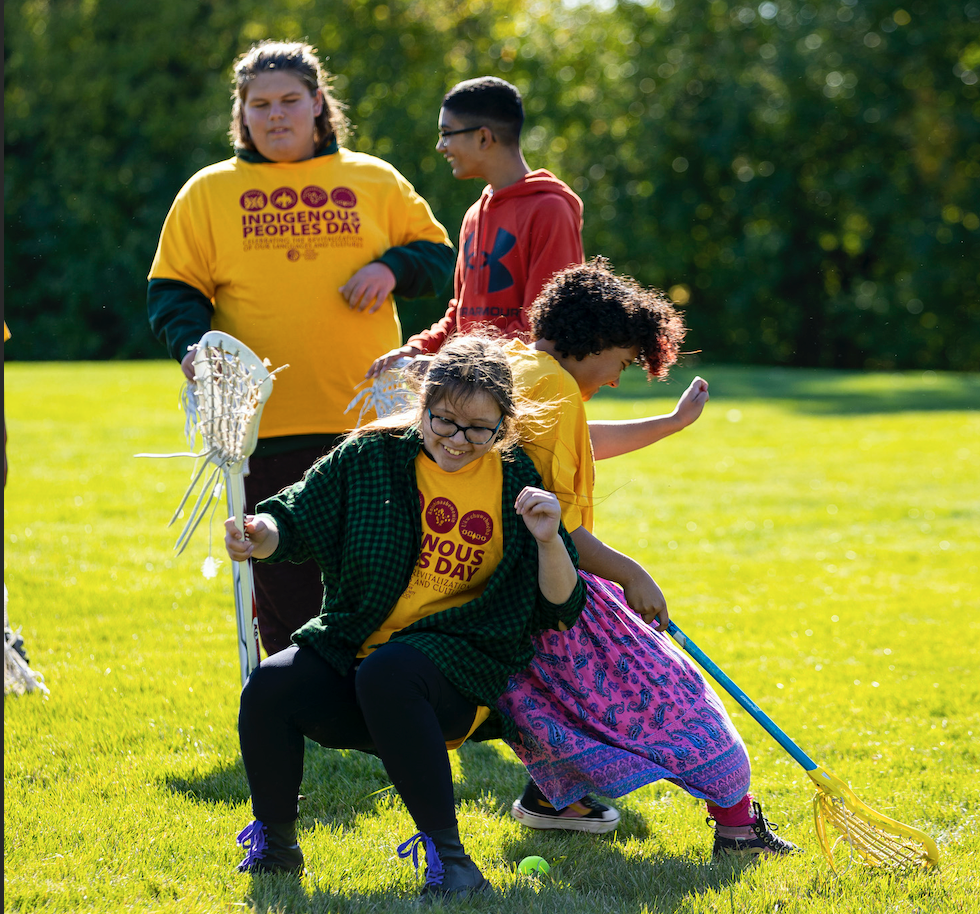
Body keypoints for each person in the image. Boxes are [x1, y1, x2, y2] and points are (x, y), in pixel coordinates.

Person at [224, 335, 585, 898]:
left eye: (479, 428)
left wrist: (548, 542)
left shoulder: (517, 484)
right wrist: (256, 535)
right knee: (272, 684)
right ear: (423, 405)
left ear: (504, 426)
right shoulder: (370, 456)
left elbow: (562, 605)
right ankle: (275, 842)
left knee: (390, 671)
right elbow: (293, 517)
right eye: (444, 421)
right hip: (359, 652)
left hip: (454, 676)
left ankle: (452, 861)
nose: (458, 441)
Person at [147, 41, 455, 656]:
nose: (276, 115)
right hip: (260, 423)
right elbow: (173, 289)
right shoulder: (209, 191)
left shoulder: (373, 179)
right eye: (259, 104)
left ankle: (381, 686)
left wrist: (393, 267)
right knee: (280, 570)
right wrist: (191, 347)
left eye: (290, 99)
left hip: (369, 420)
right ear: (241, 113)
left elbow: (442, 259)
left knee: (377, 563)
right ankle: (297, 694)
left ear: (318, 103)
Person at [497, 258, 798, 858]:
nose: (615, 379)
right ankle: (738, 829)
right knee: (676, 697)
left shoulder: (521, 369)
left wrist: (670, 423)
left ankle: (555, 800)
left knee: (589, 700)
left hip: (517, 594)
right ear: (598, 342)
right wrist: (633, 573)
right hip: (557, 589)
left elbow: (577, 440)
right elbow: (560, 530)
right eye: (623, 362)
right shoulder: (553, 387)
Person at [367, 76, 583, 376]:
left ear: (484, 137)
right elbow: (462, 314)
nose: (440, 146)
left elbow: (546, 327)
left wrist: (459, 364)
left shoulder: (550, 209)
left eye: (447, 133)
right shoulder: (474, 215)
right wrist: (419, 348)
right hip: (473, 393)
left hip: (529, 398)